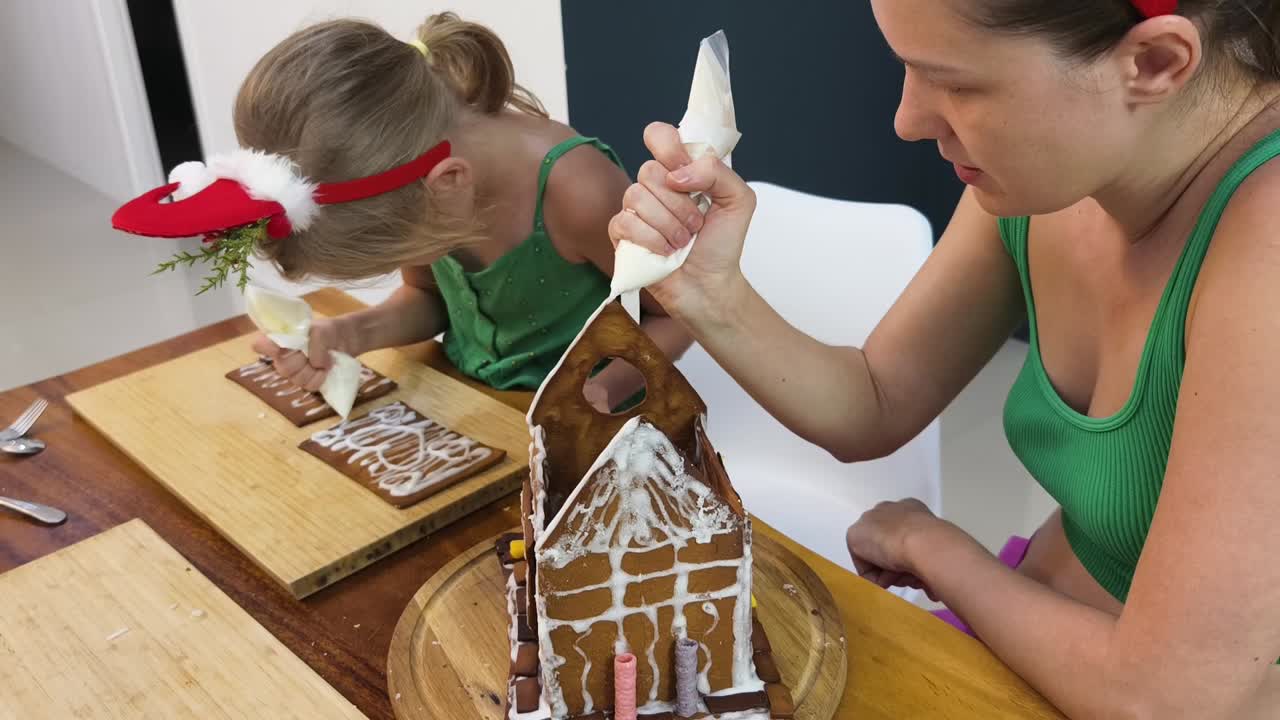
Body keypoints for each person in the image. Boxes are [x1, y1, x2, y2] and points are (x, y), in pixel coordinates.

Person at [610, 1, 1280, 717]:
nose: (907, 118)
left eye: (955, 84)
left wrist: (932, 546)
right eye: (905, 67)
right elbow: (875, 399)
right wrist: (713, 296)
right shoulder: (1054, 177)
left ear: (1153, 64)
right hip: (1031, 625)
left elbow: (1164, 698)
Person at [130, 13, 691, 410]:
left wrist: (599, 393)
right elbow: (430, 300)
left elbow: (679, 316)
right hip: (478, 405)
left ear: (446, 185)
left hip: (592, 425)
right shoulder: (427, 181)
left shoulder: (580, 193)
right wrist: (347, 333)